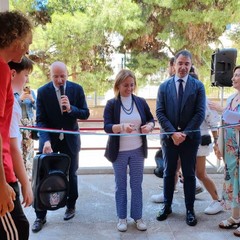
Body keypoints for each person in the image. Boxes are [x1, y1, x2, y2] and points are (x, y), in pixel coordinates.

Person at [32, 61, 90, 233]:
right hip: (50, 141)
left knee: (72, 174)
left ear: (67, 74)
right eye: (55, 76)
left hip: (70, 140)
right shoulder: (42, 92)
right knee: (43, 176)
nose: (59, 80)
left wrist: (71, 109)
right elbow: (40, 120)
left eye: (62, 76)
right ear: (50, 76)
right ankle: (40, 216)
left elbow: (85, 113)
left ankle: (71, 206)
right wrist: (46, 140)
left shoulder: (76, 89)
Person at [156, 50, 206, 226]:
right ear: (174, 65)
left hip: (189, 139)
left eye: (187, 64)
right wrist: (172, 133)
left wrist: (184, 133)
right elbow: (160, 113)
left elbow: (200, 113)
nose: (183, 67)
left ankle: (190, 210)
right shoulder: (164, 86)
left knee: (189, 174)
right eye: (180, 63)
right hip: (169, 139)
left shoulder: (198, 86)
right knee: (169, 173)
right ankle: (167, 206)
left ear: (190, 65)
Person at [103, 69, 155, 232]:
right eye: (126, 85)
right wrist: (121, 127)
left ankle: (137, 217)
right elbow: (107, 127)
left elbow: (150, 119)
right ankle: (122, 218)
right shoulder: (112, 104)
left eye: (132, 85)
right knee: (120, 185)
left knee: (136, 185)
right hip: (119, 152)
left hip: (138, 150)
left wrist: (150, 126)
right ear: (118, 85)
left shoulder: (140, 101)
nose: (129, 88)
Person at [0, 10, 33, 240]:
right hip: (3, 171)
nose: (27, 49)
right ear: (15, 37)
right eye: (27, 43)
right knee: (18, 231)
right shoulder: (2, 69)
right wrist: (2, 184)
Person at [8, 56, 34, 239]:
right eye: (25, 75)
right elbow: (13, 147)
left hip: (8, 173)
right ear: (12, 74)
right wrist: (26, 183)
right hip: (7, 175)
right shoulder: (10, 103)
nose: (26, 80)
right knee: (19, 227)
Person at [218, 65, 240, 237]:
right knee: (232, 181)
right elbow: (223, 122)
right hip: (230, 147)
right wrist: (220, 144)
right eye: (234, 75)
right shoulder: (231, 98)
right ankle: (235, 216)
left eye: (238, 75)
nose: (233, 78)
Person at [19, 83, 36, 180]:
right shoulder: (16, 94)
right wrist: (20, 99)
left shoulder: (32, 93)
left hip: (29, 122)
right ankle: (20, 173)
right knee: (19, 148)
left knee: (29, 148)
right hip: (18, 122)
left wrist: (32, 99)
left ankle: (29, 173)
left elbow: (37, 107)